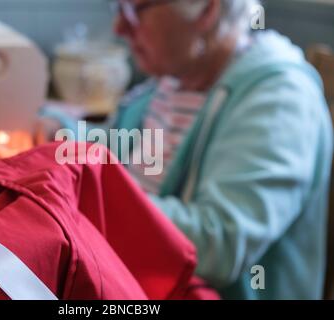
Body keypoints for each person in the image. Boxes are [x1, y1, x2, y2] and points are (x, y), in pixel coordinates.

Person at [36, 0, 333, 299]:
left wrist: (90, 198)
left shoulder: (280, 98)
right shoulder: (174, 80)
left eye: (136, 10)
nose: (119, 28)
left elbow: (219, 242)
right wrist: (59, 132)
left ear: (207, 10)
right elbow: (118, 147)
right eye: (119, 8)